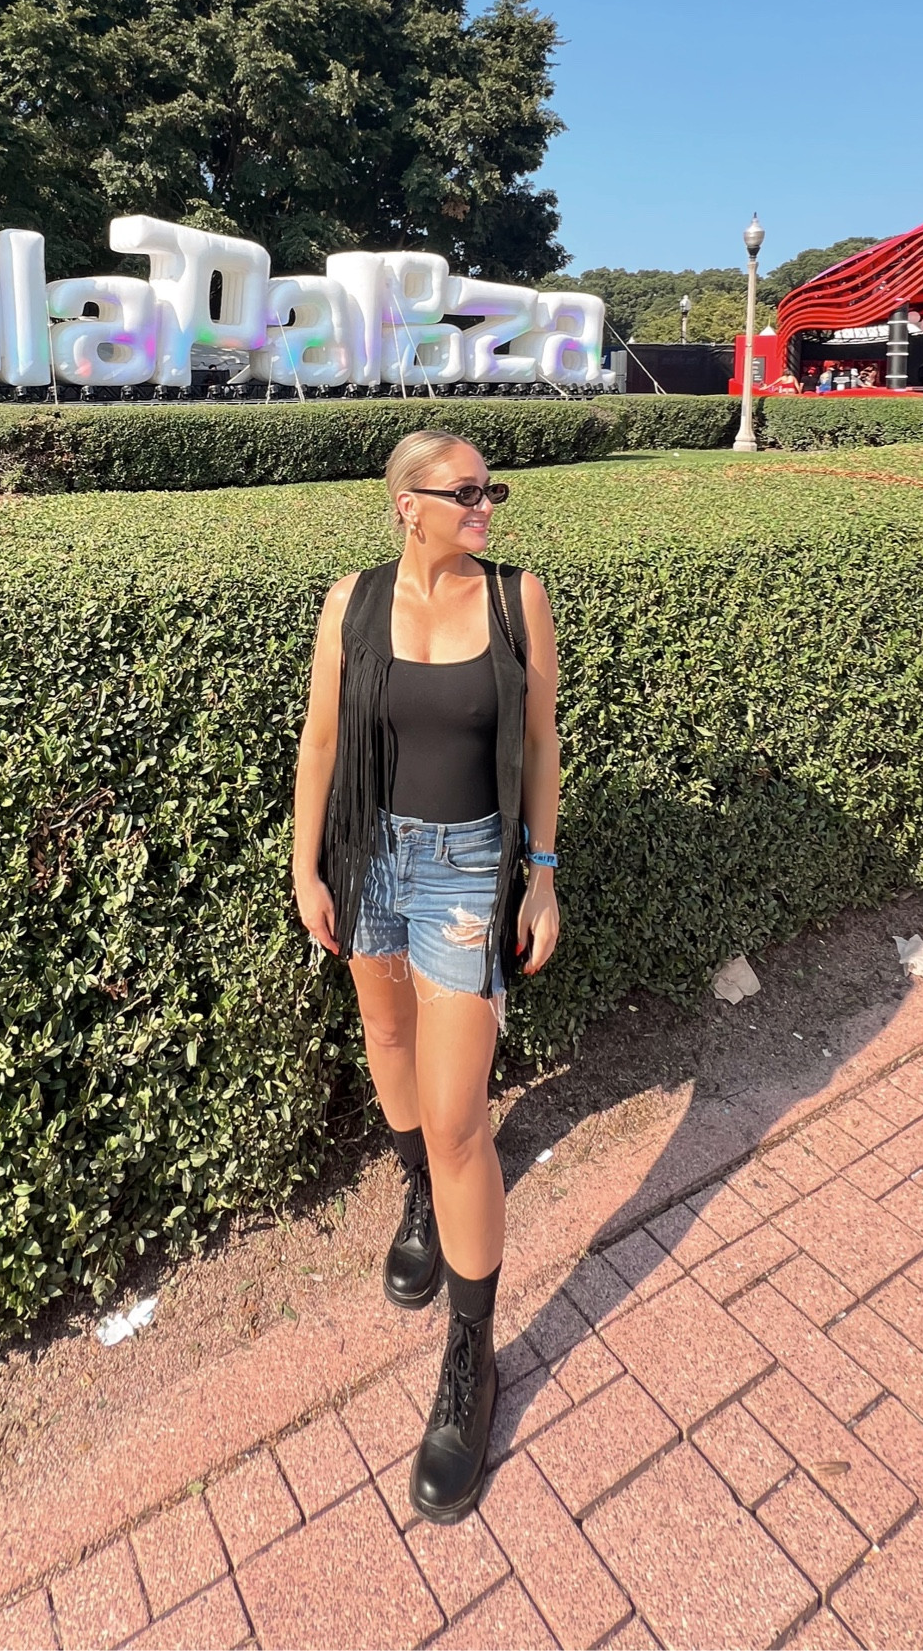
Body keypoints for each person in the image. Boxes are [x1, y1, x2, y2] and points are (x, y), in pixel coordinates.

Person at [292, 430, 562, 1524]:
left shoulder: (515, 599)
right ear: (406, 505)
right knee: (388, 1048)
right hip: (367, 856)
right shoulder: (350, 602)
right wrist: (303, 860)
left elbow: (540, 742)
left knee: (458, 1120)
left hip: (463, 873)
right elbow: (318, 738)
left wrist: (540, 876)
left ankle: (471, 1355)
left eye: (490, 490)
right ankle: (417, 1201)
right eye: (465, 493)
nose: (485, 507)